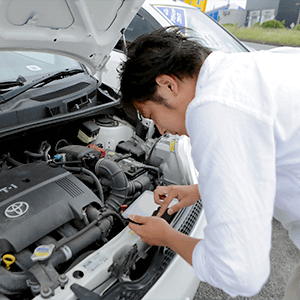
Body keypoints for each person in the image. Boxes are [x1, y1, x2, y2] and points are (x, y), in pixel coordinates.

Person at [118, 26, 300, 298]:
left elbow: (239, 272)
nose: (161, 131)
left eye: (151, 114)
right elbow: (272, 152)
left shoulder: (213, 109)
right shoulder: (248, 71)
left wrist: (167, 237)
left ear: (168, 85)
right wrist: (200, 190)